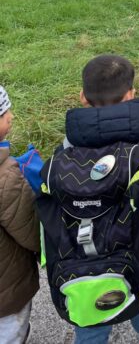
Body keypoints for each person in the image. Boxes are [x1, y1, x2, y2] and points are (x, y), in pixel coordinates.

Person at [40, 55, 139, 344]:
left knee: (89, 318)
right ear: (131, 94)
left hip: (80, 258)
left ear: (82, 97)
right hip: (136, 250)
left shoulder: (66, 149)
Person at [0, 86, 40, 344]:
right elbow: (30, 232)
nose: (11, 116)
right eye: (4, 113)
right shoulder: (6, 177)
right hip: (7, 291)